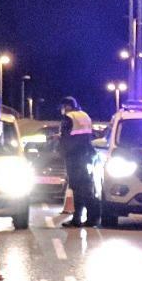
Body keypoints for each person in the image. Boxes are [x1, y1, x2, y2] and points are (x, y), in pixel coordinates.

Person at [58, 96, 98, 227]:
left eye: (63, 107)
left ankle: (77, 219)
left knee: (77, 187)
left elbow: (66, 136)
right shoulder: (84, 115)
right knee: (86, 186)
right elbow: (86, 135)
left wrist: (61, 149)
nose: (62, 110)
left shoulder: (69, 117)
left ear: (68, 106)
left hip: (73, 155)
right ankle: (91, 217)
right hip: (86, 154)